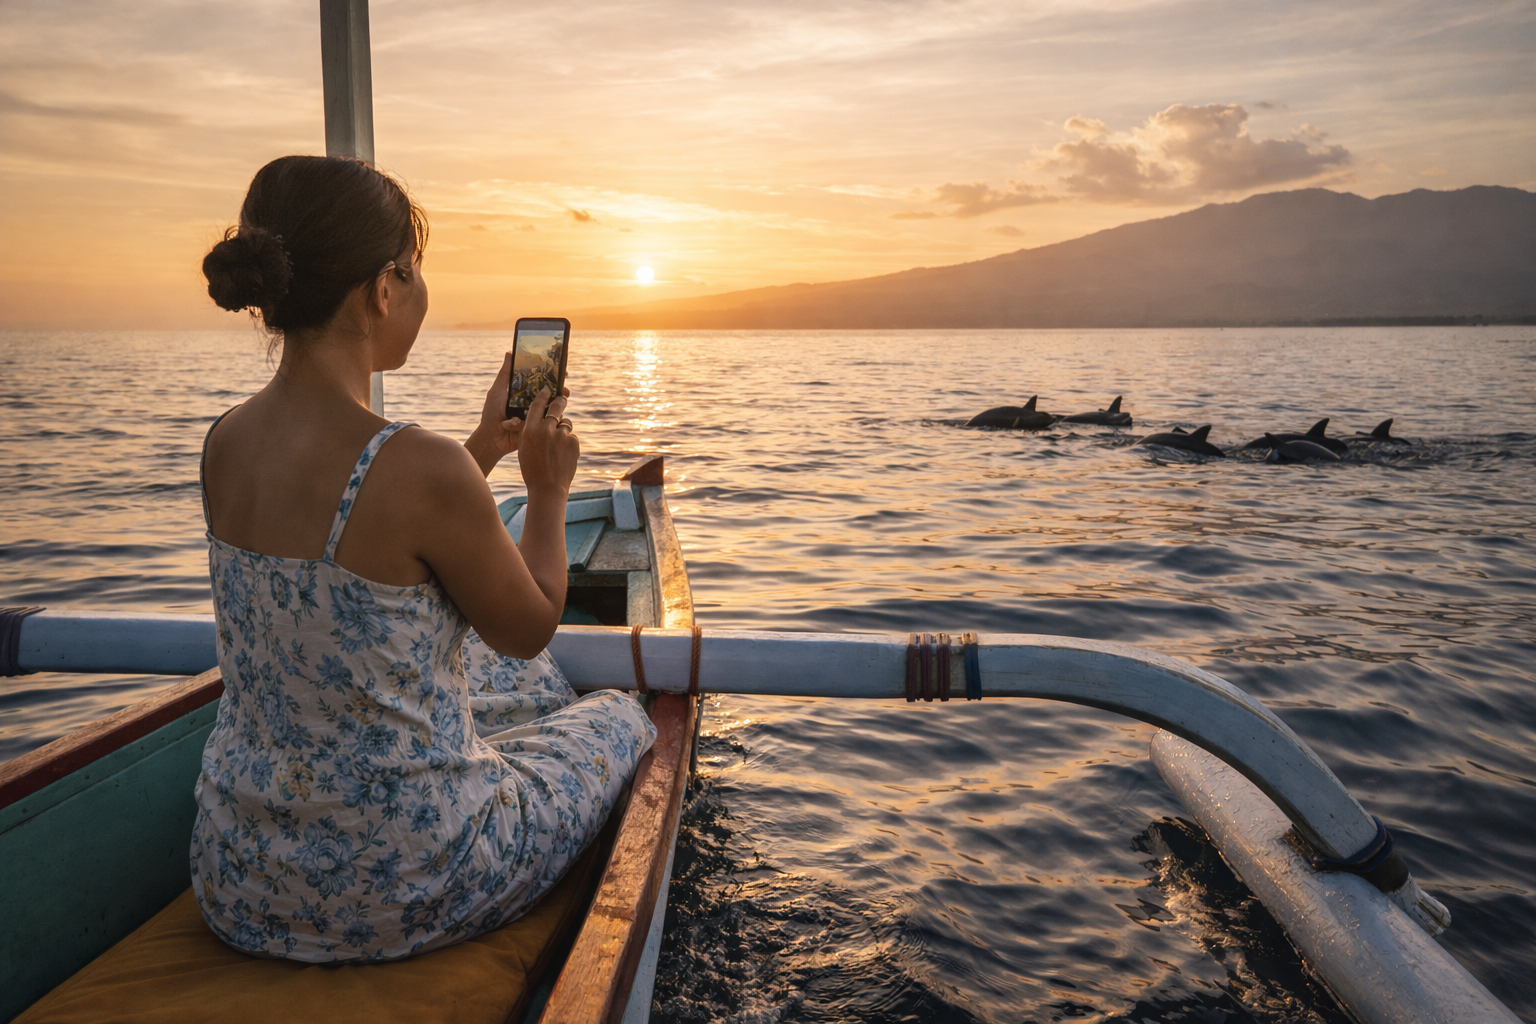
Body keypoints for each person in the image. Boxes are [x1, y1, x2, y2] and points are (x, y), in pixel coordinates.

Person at [192, 155, 655, 962]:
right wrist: (546, 489)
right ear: (383, 287)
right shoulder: (419, 468)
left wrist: (483, 447)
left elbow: (368, 543)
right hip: (406, 880)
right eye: (416, 272)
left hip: (238, 873)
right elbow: (530, 624)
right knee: (616, 713)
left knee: (506, 689)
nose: (420, 294)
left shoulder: (224, 442)